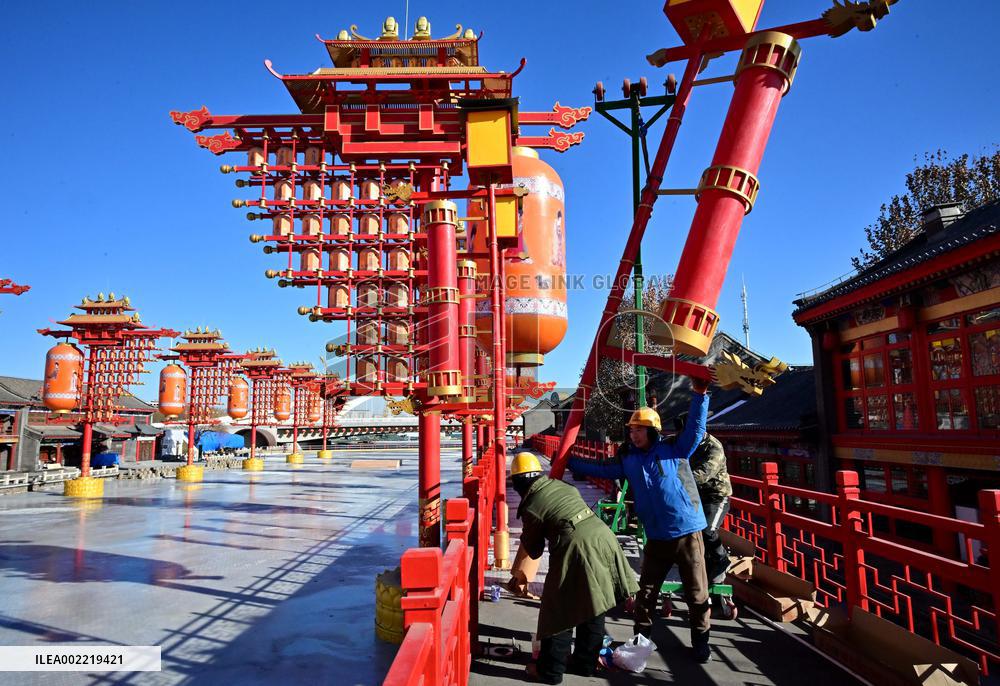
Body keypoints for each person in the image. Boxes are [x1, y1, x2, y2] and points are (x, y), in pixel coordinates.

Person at [568, 381, 713, 662]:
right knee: (646, 591)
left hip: (687, 532)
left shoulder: (676, 448)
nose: (633, 435)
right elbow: (599, 468)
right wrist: (567, 460)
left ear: (653, 430)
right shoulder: (628, 460)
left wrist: (699, 394)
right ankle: (642, 638)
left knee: (697, 592)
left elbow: (696, 428)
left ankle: (701, 640)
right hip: (657, 535)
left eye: (639, 429)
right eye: (631, 430)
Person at [508, 451, 639, 685]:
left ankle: (550, 671)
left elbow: (534, 549)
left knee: (558, 611)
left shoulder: (532, 505)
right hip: (603, 538)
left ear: (517, 482)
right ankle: (585, 664)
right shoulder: (562, 486)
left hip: (578, 548)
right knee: (594, 603)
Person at [674, 414, 733, 585]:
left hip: (717, 496)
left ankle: (721, 559)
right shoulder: (685, 442)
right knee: (690, 532)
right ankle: (702, 570)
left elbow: (704, 473)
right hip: (697, 495)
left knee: (708, 531)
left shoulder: (713, 447)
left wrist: (676, 481)